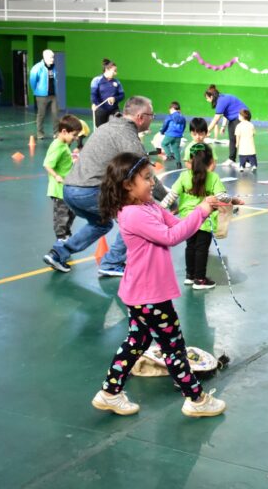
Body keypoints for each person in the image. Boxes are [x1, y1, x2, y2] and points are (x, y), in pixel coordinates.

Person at [91, 152, 226, 417]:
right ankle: (196, 400)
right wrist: (201, 210)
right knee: (173, 347)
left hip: (142, 293)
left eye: (151, 176)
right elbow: (171, 236)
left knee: (137, 343)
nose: (152, 182)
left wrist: (211, 205)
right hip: (149, 295)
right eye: (146, 178)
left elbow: (179, 225)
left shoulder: (149, 206)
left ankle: (109, 393)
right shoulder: (133, 214)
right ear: (127, 185)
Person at [43, 96, 165, 276]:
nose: (152, 119)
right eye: (151, 115)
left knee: (102, 223)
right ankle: (112, 262)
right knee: (135, 215)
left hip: (69, 190)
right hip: (89, 191)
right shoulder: (126, 135)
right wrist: (167, 199)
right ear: (140, 117)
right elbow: (145, 173)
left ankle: (58, 253)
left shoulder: (107, 126)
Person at [164, 144, 241, 289]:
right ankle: (200, 279)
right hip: (205, 220)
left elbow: (172, 195)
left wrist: (159, 209)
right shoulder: (213, 177)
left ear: (190, 160)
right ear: (210, 161)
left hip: (187, 220)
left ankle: (190, 276)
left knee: (190, 246)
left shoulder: (184, 176)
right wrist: (233, 200)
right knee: (201, 249)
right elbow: (221, 196)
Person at [43, 115, 82, 241]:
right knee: (62, 215)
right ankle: (60, 238)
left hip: (67, 187)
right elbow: (47, 164)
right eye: (74, 135)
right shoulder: (57, 146)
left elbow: (64, 159)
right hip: (59, 189)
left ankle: (66, 233)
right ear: (64, 131)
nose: (76, 138)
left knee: (72, 212)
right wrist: (56, 176)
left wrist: (73, 159)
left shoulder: (64, 143)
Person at [204, 85, 250, 166]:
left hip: (242, 116)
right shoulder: (221, 99)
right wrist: (223, 126)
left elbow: (216, 119)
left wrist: (206, 132)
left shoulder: (221, 101)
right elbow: (226, 112)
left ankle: (247, 161)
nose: (207, 100)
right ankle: (231, 159)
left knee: (241, 139)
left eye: (207, 98)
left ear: (211, 97)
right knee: (232, 139)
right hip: (234, 118)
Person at [29, 49, 59, 140]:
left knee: (56, 114)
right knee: (41, 115)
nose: (52, 59)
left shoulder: (54, 67)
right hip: (41, 96)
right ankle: (40, 133)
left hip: (53, 95)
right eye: (50, 57)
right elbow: (32, 81)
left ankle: (56, 133)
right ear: (44, 57)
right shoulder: (37, 67)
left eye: (53, 57)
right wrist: (37, 91)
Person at [90, 59, 125, 128]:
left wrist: (114, 99)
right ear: (107, 69)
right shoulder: (96, 80)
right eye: (114, 71)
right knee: (101, 129)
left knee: (116, 128)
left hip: (114, 110)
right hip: (101, 109)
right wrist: (97, 105)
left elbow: (122, 95)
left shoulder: (117, 82)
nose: (116, 73)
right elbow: (93, 96)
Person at [160, 101, 186, 169]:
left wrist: (162, 131)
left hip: (170, 134)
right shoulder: (183, 117)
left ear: (172, 109)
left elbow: (165, 124)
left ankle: (169, 155)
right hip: (178, 136)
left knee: (164, 144)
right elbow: (184, 126)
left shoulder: (170, 116)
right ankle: (178, 164)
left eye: (170, 110)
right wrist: (181, 133)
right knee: (176, 149)